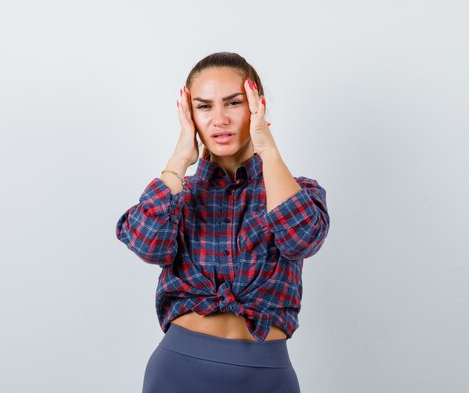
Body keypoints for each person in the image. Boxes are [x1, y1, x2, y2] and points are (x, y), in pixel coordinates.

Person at [115, 52, 330, 393]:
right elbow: (146, 243)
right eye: (204, 107)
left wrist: (268, 150)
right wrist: (180, 157)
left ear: (256, 106)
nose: (220, 119)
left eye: (233, 103)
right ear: (189, 116)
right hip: (179, 370)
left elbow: (301, 239)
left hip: (267, 375)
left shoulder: (299, 190)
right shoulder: (178, 196)